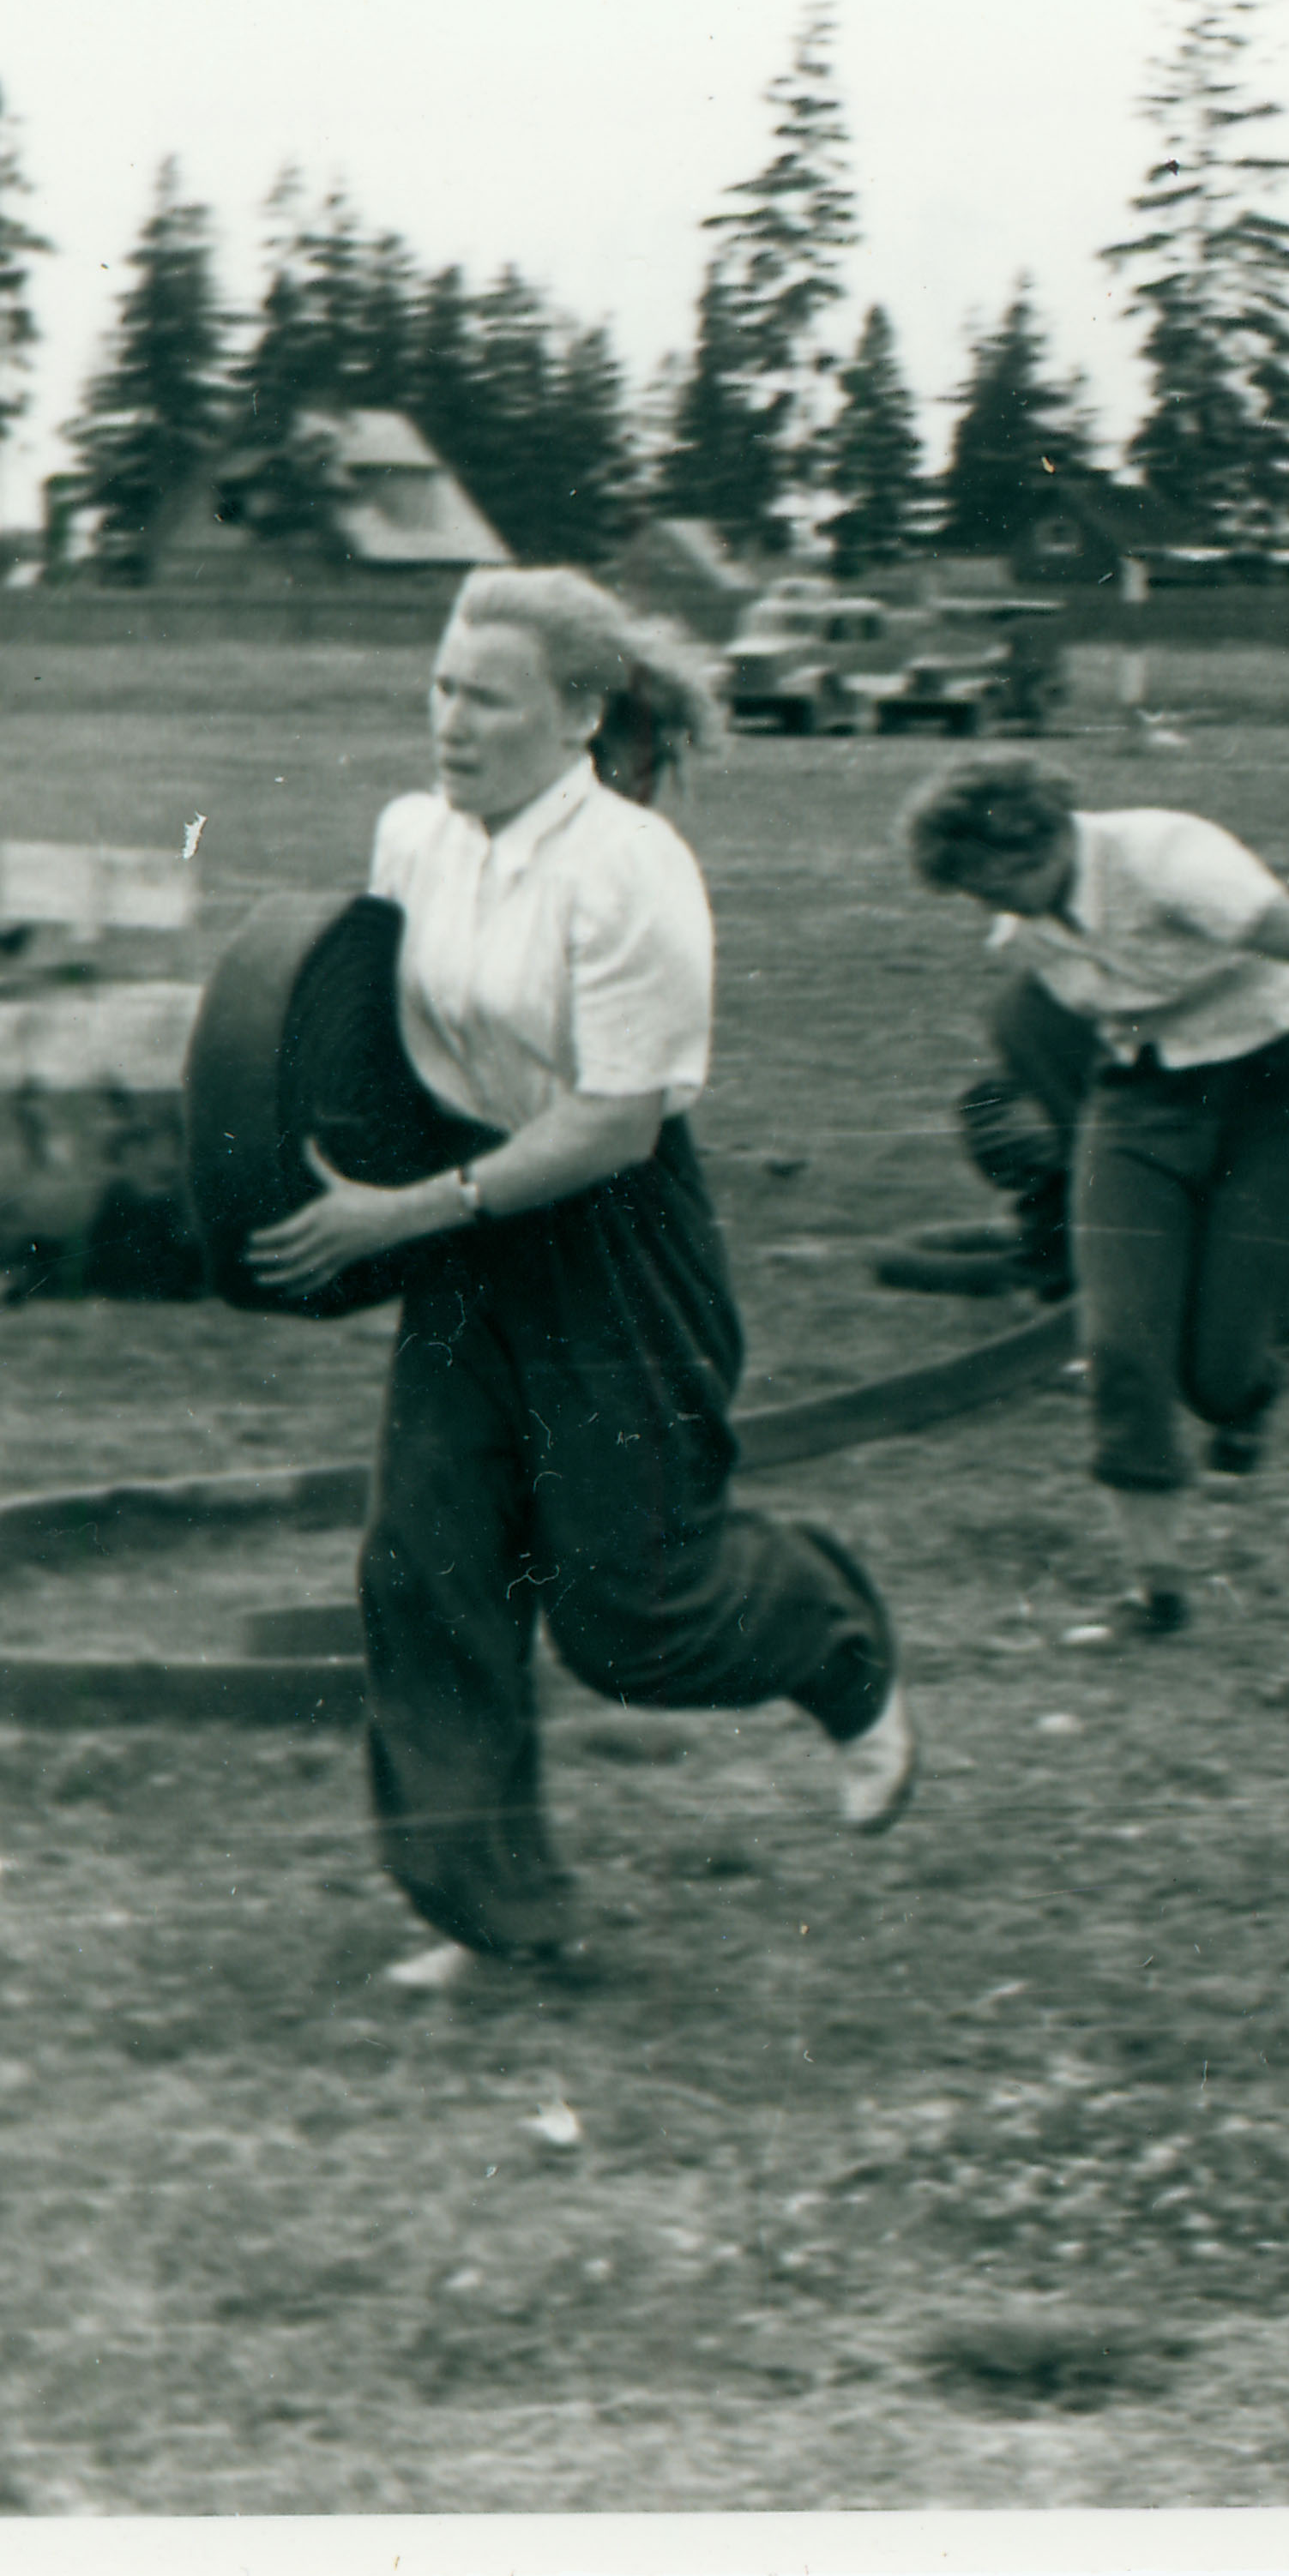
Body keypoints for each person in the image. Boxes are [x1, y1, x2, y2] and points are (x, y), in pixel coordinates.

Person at [244, 568, 911, 1985]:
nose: (450, 721)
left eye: (487, 698)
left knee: (634, 1615)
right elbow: (371, 1032)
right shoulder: (410, 836)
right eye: (440, 687)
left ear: (580, 715)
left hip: (613, 1237)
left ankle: (835, 1643)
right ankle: (494, 1915)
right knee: (428, 1568)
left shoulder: (630, 866)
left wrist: (407, 1213)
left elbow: (616, 1120)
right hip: (462, 1227)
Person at [900, 750, 1289, 1639]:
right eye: (977, 892)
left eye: (1000, 882)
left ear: (1040, 838)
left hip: (1276, 1090)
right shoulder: (1022, 929)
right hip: (1144, 1099)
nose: (997, 908)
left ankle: (1245, 1398)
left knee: (1217, 1368)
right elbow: (1051, 1026)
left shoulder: (1169, 854)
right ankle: (1154, 1593)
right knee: (1119, 1342)